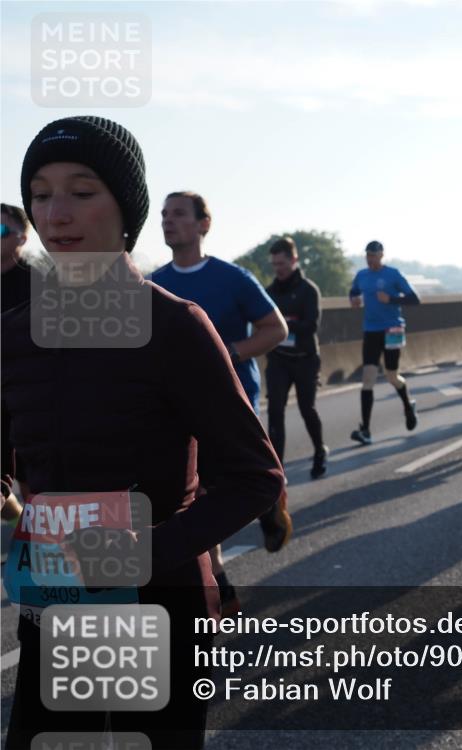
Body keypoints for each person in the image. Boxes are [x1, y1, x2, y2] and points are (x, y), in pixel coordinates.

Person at [2, 115, 284, 750]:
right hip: (54, 609)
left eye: (81, 191)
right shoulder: (13, 332)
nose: (57, 214)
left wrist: (142, 551)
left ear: (125, 208)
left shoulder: (176, 326)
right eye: (40, 194)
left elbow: (254, 477)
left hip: (163, 609)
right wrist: (18, 515)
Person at [152, 191, 291, 617]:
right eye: (163, 215)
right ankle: (220, 580)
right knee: (195, 496)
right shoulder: (154, 283)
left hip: (232, 405)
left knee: (234, 485)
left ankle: (268, 505)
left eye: (178, 214)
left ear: (203, 224)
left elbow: (276, 329)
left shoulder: (233, 278)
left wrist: (226, 354)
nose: (167, 221)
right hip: (176, 413)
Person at [264, 236, 327, 479]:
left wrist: (284, 325)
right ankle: (277, 470)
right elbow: (261, 325)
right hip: (278, 359)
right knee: (275, 410)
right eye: (275, 265)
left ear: (294, 260)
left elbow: (311, 326)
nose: (278, 269)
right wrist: (289, 323)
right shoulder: (268, 292)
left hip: (305, 358)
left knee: (306, 408)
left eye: (282, 264)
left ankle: (319, 450)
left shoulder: (308, 290)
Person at [348, 240, 420, 445]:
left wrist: (392, 300)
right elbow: (354, 291)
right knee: (368, 378)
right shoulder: (361, 276)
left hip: (393, 329)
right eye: (367, 256)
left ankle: (408, 405)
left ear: (381, 255)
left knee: (391, 375)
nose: (370, 259)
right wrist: (353, 299)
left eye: (374, 255)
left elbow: (415, 299)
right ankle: (366, 430)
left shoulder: (393, 274)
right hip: (371, 330)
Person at [1, 204, 36, 524]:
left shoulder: (40, 285)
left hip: (27, 403)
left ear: (21, 239)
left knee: (31, 488)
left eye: (0, 231)